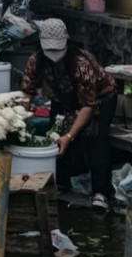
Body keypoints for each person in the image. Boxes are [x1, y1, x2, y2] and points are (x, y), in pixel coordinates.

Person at [21, 18, 116, 210]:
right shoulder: (36, 60)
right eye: (50, 50)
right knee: (54, 133)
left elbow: (88, 106)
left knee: (97, 137)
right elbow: (27, 92)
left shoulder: (82, 64)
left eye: (57, 49)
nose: (54, 54)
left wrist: (70, 135)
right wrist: (20, 118)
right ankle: (60, 180)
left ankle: (101, 192)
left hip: (100, 98)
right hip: (63, 97)